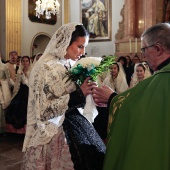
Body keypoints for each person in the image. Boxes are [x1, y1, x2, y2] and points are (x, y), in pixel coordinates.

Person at [21, 23, 106, 170]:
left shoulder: (69, 64)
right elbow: (44, 110)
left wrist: (88, 89)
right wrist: (80, 94)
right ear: (66, 42)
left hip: (72, 121)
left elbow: (70, 94)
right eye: (80, 46)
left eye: (85, 46)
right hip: (52, 130)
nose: (83, 51)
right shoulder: (45, 67)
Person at [93, 23, 170, 170]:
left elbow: (137, 107)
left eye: (144, 49)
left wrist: (111, 98)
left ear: (158, 49)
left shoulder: (161, 81)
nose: (143, 55)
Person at [5, 56, 32, 133]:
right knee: (13, 106)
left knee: (25, 108)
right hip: (20, 91)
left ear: (29, 62)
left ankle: (26, 130)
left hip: (28, 92)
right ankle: (15, 130)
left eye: (27, 61)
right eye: (23, 61)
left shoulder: (31, 71)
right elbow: (17, 84)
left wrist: (23, 75)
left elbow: (28, 83)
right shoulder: (20, 70)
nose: (25, 63)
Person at [0, 56, 12, 134]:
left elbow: (8, 79)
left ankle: (1, 129)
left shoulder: (4, 66)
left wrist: (1, 82)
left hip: (1, 89)